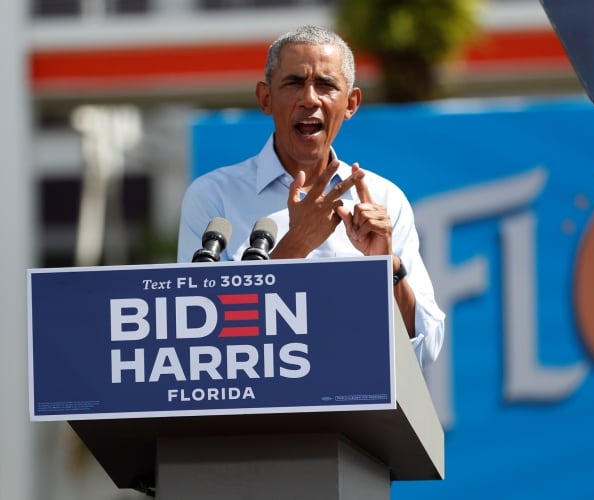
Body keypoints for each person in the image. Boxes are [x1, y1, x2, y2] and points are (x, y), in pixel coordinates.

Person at [178, 25, 444, 367]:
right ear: (265, 98)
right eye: (293, 83)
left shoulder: (383, 199)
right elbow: (192, 336)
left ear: (351, 103)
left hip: (357, 412)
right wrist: (294, 247)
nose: (310, 99)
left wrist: (386, 268)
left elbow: (425, 349)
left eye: (326, 85)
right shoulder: (214, 196)